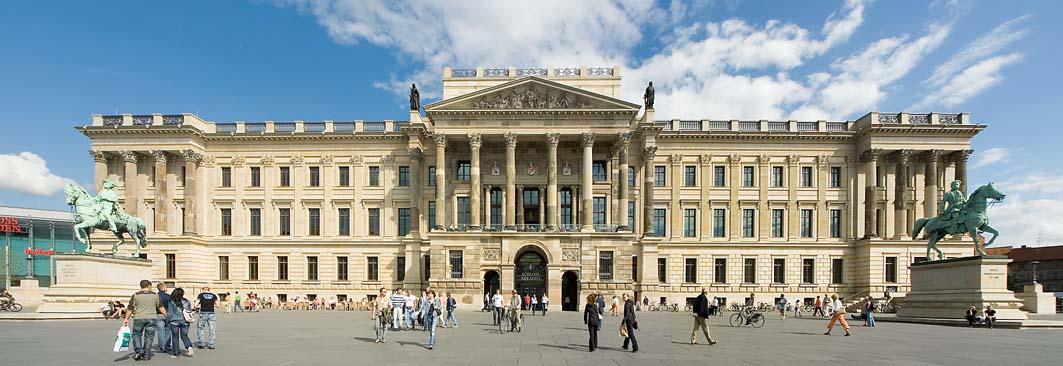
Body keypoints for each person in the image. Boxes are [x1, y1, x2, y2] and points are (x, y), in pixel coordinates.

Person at [125, 279, 166, 361]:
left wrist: (126, 319)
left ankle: (138, 351)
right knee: (149, 337)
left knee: (136, 334)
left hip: (139, 317)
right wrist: (166, 315)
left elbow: (130, 308)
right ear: (149, 286)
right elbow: (160, 307)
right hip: (152, 318)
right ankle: (147, 354)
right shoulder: (155, 295)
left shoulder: (135, 295)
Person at [166, 288, 194, 358]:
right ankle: (189, 347)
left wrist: (167, 321)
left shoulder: (171, 301)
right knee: (184, 335)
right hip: (185, 321)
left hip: (174, 321)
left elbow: (169, 313)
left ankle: (176, 353)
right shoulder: (187, 301)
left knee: (175, 337)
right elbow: (189, 310)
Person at [155, 283, 172, 355]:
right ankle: (167, 345)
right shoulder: (169, 296)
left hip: (158, 314)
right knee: (168, 330)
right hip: (168, 314)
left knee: (160, 331)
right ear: (164, 288)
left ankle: (162, 346)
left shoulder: (155, 296)